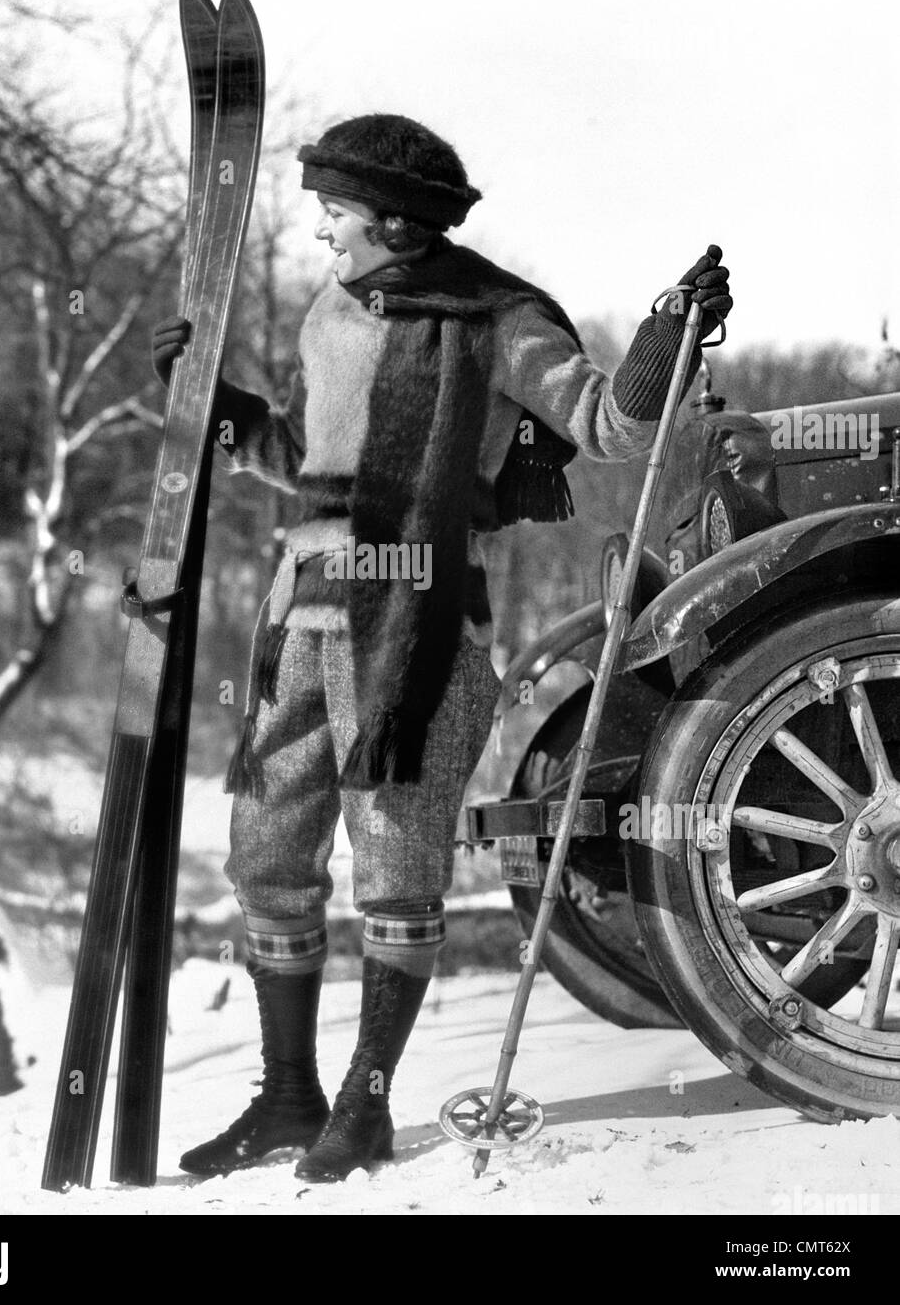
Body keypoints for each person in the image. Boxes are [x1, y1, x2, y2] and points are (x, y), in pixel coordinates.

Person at [151, 113, 731, 1183]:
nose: (320, 230)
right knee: (268, 857)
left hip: (415, 645)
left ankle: (363, 1108)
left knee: (394, 868)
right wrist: (218, 414)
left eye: (333, 211)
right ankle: (287, 1098)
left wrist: (666, 338)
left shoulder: (495, 320)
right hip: (299, 620)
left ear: (389, 219)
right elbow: (297, 452)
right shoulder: (328, 313)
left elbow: (606, 424)